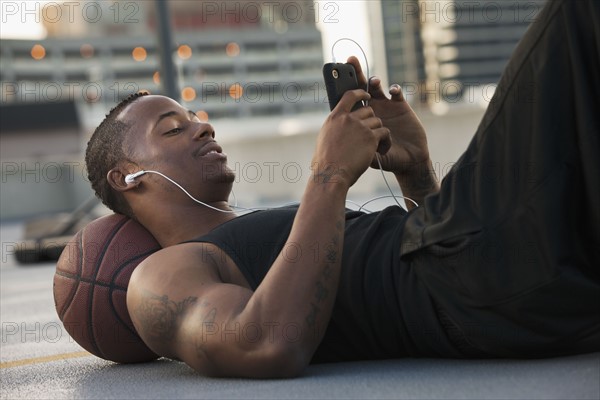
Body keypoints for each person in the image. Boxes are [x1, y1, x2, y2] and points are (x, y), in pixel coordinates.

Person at [85, 0, 599, 378]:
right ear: (126, 178)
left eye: (197, 118)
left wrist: (415, 171)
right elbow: (265, 346)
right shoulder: (159, 275)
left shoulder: (264, 228)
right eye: (173, 129)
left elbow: (421, 253)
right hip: (468, 281)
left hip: (497, 272)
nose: (204, 127)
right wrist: (329, 176)